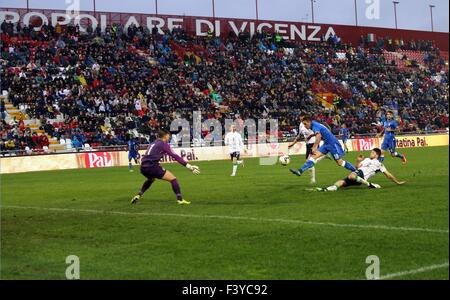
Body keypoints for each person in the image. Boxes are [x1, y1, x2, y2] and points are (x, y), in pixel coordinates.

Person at [131, 129, 200, 205]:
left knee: (151, 179)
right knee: (173, 179)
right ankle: (180, 199)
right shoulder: (164, 144)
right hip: (152, 166)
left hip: (143, 167)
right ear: (165, 135)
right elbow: (175, 156)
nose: (169, 137)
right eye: (169, 135)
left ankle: (138, 195)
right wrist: (189, 166)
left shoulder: (153, 143)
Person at [290, 115, 356, 177]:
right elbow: (320, 132)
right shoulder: (314, 125)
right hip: (326, 144)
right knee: (313, 157)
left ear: (309, 121)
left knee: (339, 162)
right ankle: (300, 171)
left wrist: (314, 147)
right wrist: (310, 136)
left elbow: (318, 136)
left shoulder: (314, 125)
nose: (304, 126)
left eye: (305, 124)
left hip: (333, 144)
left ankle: (355, 170)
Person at [316, 148, 406, 191]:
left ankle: (369, 184)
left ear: (377, 155)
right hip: (357, 174)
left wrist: (397, 182)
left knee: (351, 175)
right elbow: (357, 167)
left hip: (361, 175)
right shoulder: (366, 159)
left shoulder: (379, 164)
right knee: (339, 182)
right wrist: (357, 161)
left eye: (373, 152)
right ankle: (327, 189)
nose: (371, 153)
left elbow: (388, 174)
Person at [288, 115, 324, 184]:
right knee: (309, 161)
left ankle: (312, 179)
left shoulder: (310, 124)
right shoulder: (301, 125)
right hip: (308, 145)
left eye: (302, 119)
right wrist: (293, 143)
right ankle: (322, 155)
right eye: (301, 119)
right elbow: (299, 135)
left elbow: (317, 133)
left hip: (313, 143)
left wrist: (310, 136)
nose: (302, 121)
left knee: (309, 161)